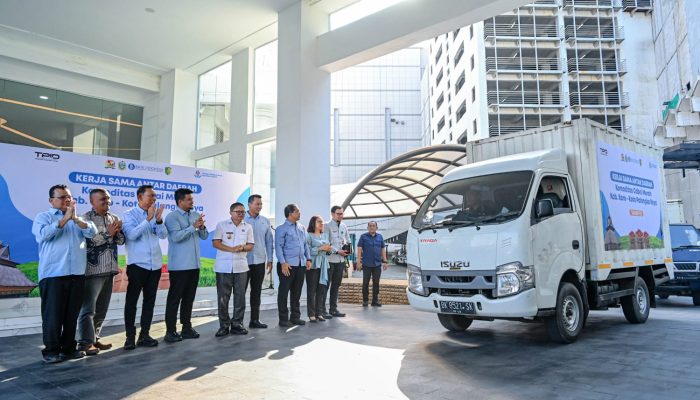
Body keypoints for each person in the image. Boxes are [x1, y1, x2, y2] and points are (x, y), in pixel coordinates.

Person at [31, 184, 97, 363]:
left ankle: (68, 349)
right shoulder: (43, 217)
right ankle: (51, 351)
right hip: (54, 274)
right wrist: (63, 220)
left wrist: (75, 219)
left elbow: (92, 232)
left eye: (68, 197)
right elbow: (43, 235)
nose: (66, 200)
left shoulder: (78, 218)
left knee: (71, 315)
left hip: (76, 273)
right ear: (51, 200)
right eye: (62, 197)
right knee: (53, 316)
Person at [77, 188, 125, 355]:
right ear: (92, 202)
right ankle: (84, 343)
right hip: (93, 270)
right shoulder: (85, 219)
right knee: (88, 309)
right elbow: (89, 241)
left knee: (102, 309)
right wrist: (108, 233)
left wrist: (118, 232)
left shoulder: (114, 218)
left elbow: (120, 241)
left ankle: (94, 338)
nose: (107, 202)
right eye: (103, 199)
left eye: (108, 199)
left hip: (110, 269)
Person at [122, 184, 166, 350]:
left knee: (149, 301)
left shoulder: (155, 214)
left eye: (155, 196)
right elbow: (132, 235)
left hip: (155, 265)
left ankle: (144, 335)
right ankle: (130, 336)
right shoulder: (129, 214)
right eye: (151, 196)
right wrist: (148, 219)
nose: (154, 199)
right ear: (140, 197)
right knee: (131, 302)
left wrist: (158, 220)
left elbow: (163, 235)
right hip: (137, 265)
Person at [163, 188, 209, 343]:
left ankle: (186, 327)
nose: (192, 202)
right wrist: (192, 227)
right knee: (174, 299)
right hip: (179, 266)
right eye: (189, 199)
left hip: (194, 265)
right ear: (180, 201)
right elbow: (176, 237)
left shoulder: (195, 215)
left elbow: (204, 236)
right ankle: (170, 331)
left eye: (192, 199)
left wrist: (201, 227)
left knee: (189, 298)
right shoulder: (172, 217)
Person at [213, 202, 254, 337]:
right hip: (223, 267)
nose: (241, 214)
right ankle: (224, 326)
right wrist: (231, 249)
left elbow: (250, 245)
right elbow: (216, 243)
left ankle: (237, 324)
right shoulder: (222, 225)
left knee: (240, 297)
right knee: (223, 298)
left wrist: (242, 248)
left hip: (241, 267)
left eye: (243, 212)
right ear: (231, 212)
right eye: (238, 212)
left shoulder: (248, 227)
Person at [274, 204, 312, 327]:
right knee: (284, 293)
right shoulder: (281, 229)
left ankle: (295, 317)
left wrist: (308, 259)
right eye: (297, 211)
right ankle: (283, 319)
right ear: (290, 213)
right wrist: (283, 263)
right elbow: (278, 247)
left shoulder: (301, 227)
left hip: (300, 265)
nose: (300, 213)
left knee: (297, 293)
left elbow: (305, 245)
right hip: (287, 266)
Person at [244, 194, 274, 329]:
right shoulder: (241, 219)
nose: (260, 206)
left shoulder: (265, 221)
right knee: (240, 292)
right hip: (243, 261)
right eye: (257, 204)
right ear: (249, 204)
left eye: (261, 204)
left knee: (256, 292)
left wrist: (270, 259)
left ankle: (254, 320)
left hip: (260, 261)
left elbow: (269, 242)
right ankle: (237, 322)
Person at [323, 205, 350, 318]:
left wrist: (349, 250)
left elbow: (348, 240)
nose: (340, 216)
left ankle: (333, 309)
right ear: (332, 214)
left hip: (341, 261)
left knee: (336, 285)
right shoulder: (326, 226)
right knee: (326, 285)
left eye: (342, 213)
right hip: (330, 260)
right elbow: (325, 243)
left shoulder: (344, 226)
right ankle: (322, 310)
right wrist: (337, 251)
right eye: (338, 214)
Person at [306, 216, 332, 322]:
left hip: (324, 265)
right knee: (311, 290)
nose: (321, 223)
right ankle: (311, 314)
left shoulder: (325, 235)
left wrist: (329, 249)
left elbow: (329, 251)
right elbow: (307, 250)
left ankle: (319, 313)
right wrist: (321, 248)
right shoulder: (308, 235)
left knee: (321, 290)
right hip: (313, 265)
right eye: (319, 222)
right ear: (313, 223)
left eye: (322, 222)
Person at [356, 221, 388, 307]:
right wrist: (358, 262)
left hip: (377, 264)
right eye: (370, 226)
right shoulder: (363, 237)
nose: (372, 227)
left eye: (373, 226)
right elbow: (359, 249)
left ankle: (375, 301)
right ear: (368, 228)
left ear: (376, 228)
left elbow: (382, 249)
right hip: (366, 264)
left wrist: (385, 262)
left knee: (376, 284)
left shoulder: (380, 237)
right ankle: (365, 300)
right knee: (365, 283)